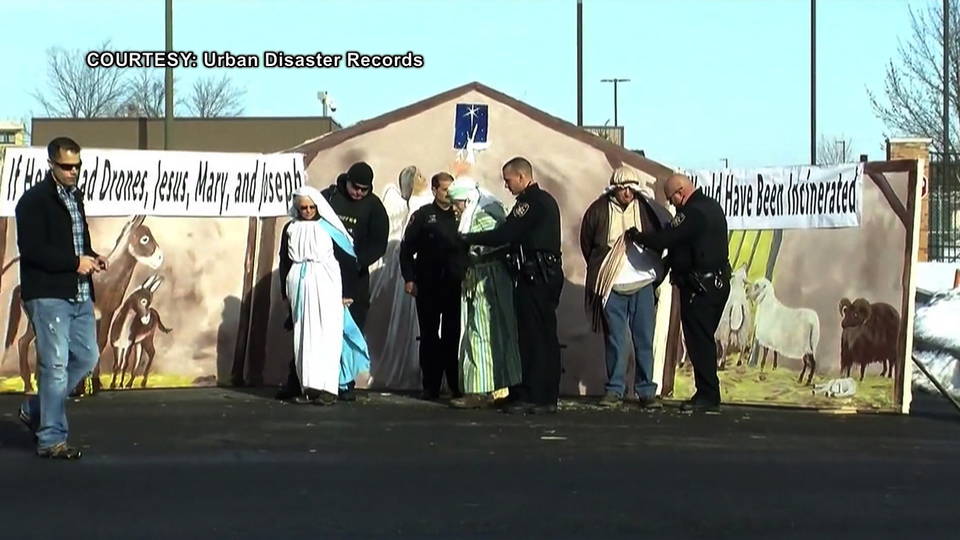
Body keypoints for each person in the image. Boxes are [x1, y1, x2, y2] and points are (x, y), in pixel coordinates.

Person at [15, 137, 108, 459]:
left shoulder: (75, 199)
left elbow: (77, 244)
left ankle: (35, 409)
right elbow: (33, 250)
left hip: (79, 293)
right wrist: (74, 262)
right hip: (47, 294)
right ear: (51, 164)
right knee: (54, 366)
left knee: (86, 357)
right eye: (67, 166)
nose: (73, 172)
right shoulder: (33, 201)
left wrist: (92, 257)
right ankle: (51, 439)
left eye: (78, 166)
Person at [462, 157, 563, 415]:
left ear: (521, 177)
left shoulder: (531, 203)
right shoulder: (541, 202)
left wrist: (467, 239)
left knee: (535, 337)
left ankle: (537, 396)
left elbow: (505, 234)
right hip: (540, 273)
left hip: (537, 275)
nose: (506, 186)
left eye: (508, 180)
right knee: (538, 335)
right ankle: (535, 393)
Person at [628, 173, 730, 413]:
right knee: (702, 339)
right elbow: (681, 247)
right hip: (715, 284)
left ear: (681, 192)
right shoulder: (711, 207)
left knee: (698, 341)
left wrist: (638, 237)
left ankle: (708, 394)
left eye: (671, 198)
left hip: (700, 288)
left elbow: (665, 240)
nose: (671, 204)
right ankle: (707, 392)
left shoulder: (692, 213)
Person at [580, 165, 670, 409]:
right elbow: (588, 244)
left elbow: (664, 236)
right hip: (612, 284)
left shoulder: (649, 210)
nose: (627, 193)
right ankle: (615, 390)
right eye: (623, 188)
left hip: (642, 282)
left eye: (632, 188)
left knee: (643, 338)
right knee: (617, 340)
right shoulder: (598, 210)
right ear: (615, 189)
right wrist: (603, 268)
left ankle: (646, 391)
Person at [278, 186, 362, 406]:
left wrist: (347, 293)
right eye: (303, 207)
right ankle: (309, 388)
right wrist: (284, 290)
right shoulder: (291, 228)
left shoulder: (329, 228)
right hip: (299, 283)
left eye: (311, 207)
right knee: (304, 336)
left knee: (327, 334)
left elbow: (348, 259)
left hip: (325, 282)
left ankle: (328, 388)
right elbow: (284, 260)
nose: (307, 211)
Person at [446, 176, 522, 409]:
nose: (456, 209)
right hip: (484, 279)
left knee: (482, 333)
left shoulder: (484, 216)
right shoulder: (486, 212)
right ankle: (494, 386)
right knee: (487, 332)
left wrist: (471, 253)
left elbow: (496, 245)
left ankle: (480, 390)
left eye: (458, 203)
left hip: (488, 281)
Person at [319, 161, 389, 400]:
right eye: (355, 187)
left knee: (352, 329)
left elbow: (379, 243)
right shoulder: (329, 198)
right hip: (326, 273)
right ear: (346, 181)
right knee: (322, 327)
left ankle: (345, 382)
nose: (358, 193)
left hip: (355, 278)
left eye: (364, 189)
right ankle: (318, 379)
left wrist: (359, 261)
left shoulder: (374, 207)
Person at [399, 172, 465, 401]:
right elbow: (407, 250)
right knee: (429, 335)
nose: (449, 194)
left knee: (452, 334)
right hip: (428, 283)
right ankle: (431, 385)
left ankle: (455, 384)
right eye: (445, 190)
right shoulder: (424, 216)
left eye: (452, 189)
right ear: (435, 190)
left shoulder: (461, 216)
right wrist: (409, 278)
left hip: (453, 283)